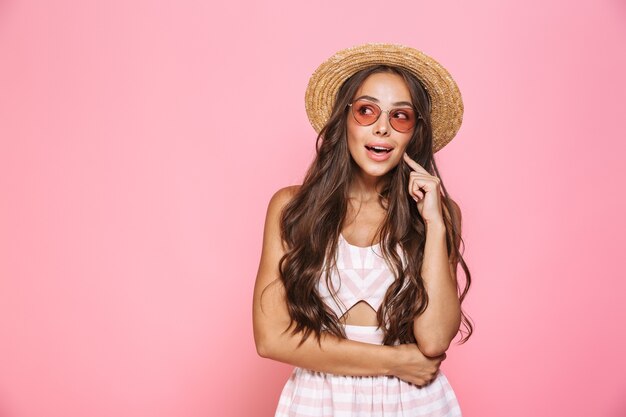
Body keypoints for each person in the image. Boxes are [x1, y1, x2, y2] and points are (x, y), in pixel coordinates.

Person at [252, 43, 473, 417]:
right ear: (345, 120)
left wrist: (435, 224)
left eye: (400, 116)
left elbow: (434, 340)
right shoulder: (292, 208)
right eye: (366, 111)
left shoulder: (440, 214)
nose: (382, 127)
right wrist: (395, 362)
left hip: (415, 403)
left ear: (414, 132)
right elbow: (271, 338)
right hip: (319, 401)